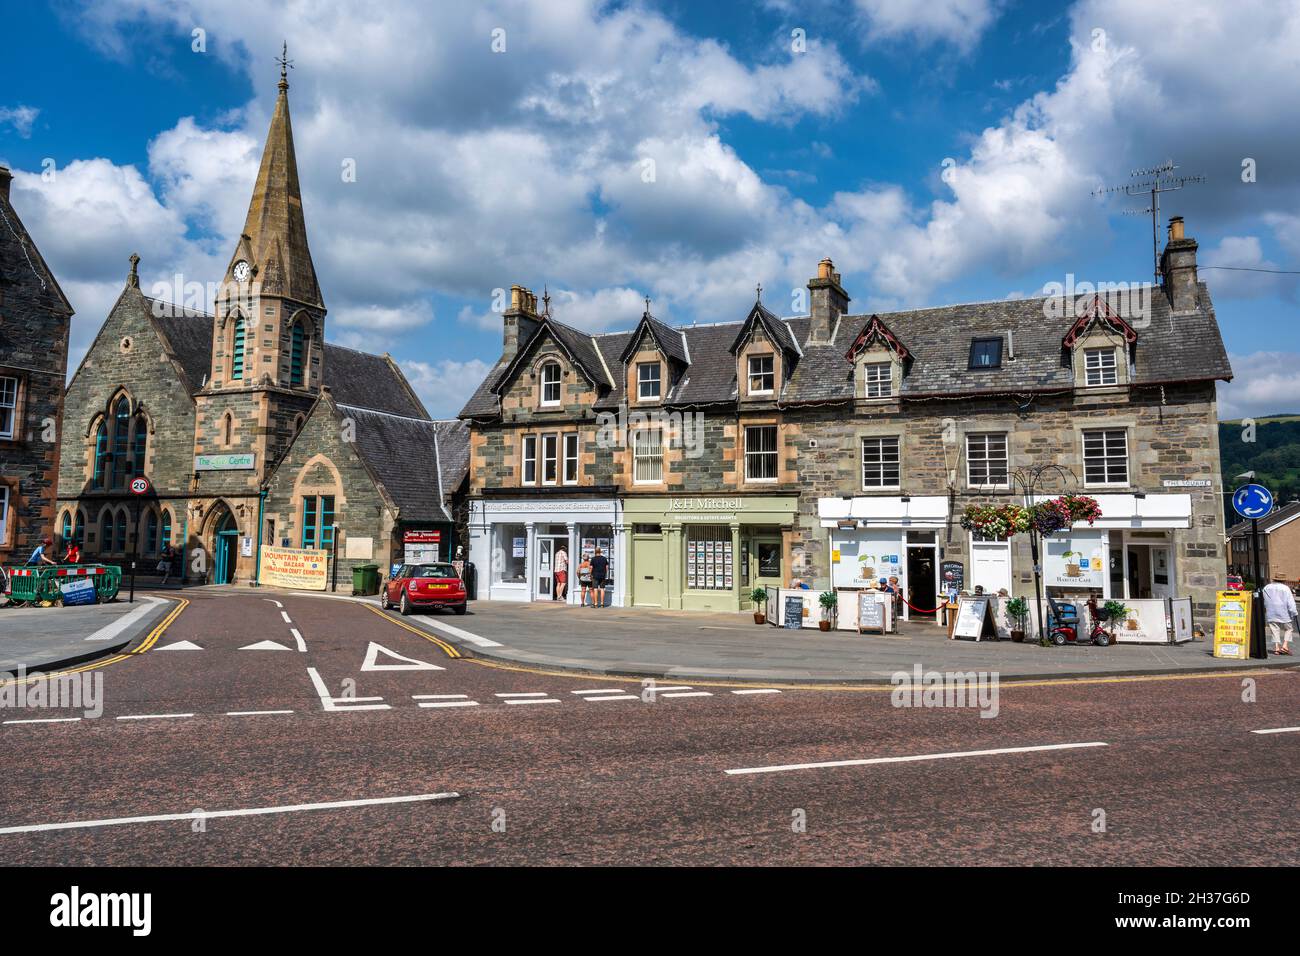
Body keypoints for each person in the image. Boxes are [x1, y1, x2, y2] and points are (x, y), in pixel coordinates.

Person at [1261, 573, 1297, 656]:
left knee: (1274, 629)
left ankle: (1277, 648)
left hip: (1271, 612)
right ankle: (1285, 645)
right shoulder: (1285, 588)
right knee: (1289, 628)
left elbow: (1263, 599)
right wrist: (1294, 612)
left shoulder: (1267, 587)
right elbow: (1290, 602)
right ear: (1283, 580)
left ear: (1274, 579)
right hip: (1284, 612)